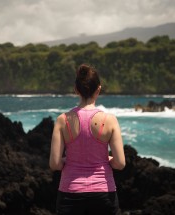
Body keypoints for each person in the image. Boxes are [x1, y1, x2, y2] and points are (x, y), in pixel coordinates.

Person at [49, 64, 125, 215]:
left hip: (70, 194)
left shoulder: (62, 120)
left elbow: (55, 164)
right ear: (98, 89)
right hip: (104, 194)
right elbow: (120, 163)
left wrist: (68, 160)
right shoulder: (109, 120)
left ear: (76, 90)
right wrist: (107, 159)